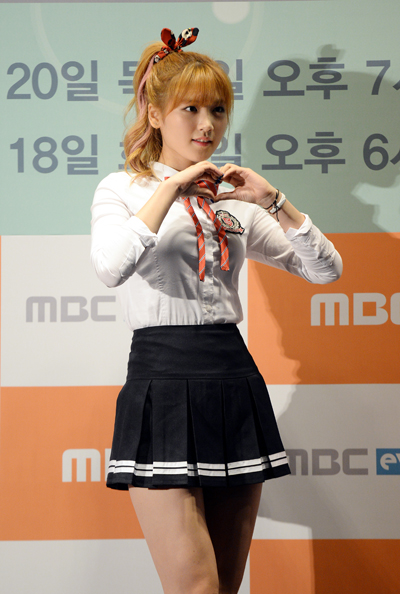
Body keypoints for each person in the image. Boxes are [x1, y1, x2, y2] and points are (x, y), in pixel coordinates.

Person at [91, 27, 342, 594]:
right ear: (155, 114)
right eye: (191, 109)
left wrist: (273, 200)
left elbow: (326, 270)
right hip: (162, 378)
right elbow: (110, 267)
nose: (207, 125)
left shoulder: (235, 203)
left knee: (225, 588)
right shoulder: (122, 190)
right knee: (196, 587)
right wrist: (172, 187)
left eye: (218, 111)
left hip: (233, 377)